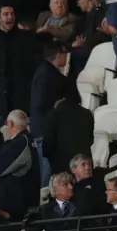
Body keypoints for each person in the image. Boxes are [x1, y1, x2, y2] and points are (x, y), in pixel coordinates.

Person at [30, 41, 69, 185]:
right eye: (65, 54)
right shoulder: (46, 75)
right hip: (45, 130)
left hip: (44, 129)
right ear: (58, 55)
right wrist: (57, 106)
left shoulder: (46, 72)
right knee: (46, 172)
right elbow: (41, 103)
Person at [0, 110, 39, 222]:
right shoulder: (28, 139)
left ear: (10, 123)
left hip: (16, 204)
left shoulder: (20, 142)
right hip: (24, 200)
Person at [43, 91, 94, 175]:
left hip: (60, 166)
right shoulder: (87, 114)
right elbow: (91, 140)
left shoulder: (53, 115)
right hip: (82, 165)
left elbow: (48, 143)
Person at [69, 0, 107, 78]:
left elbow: (101, 36)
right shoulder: (82, 19)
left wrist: (83, 43)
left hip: (97, 51)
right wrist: (73, 44)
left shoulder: (101, 14)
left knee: (72, 56)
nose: (78, 4)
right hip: (85, 49)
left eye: (79, 0)